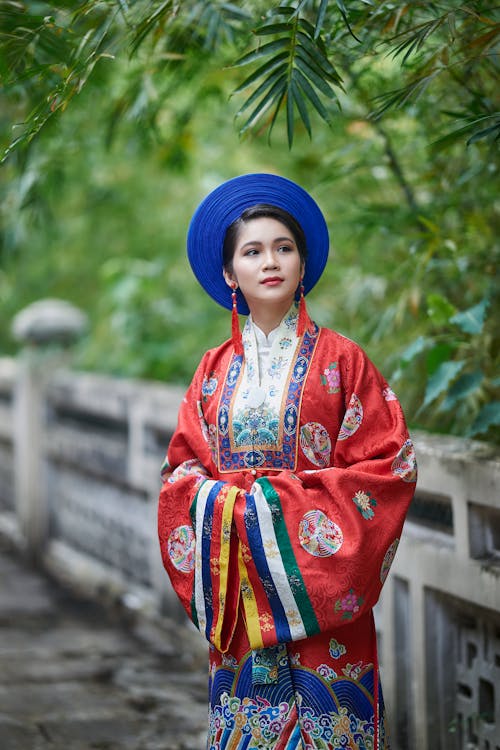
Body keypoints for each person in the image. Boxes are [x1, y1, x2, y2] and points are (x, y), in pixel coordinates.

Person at [157, 173, 417, 749]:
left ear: (302, 264)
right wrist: (224, 507)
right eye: (252, 251)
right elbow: (180, 472)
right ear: (230, 274)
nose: (270, 261)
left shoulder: (344, 362)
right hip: (241, 598)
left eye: (284, 247)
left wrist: (274, 508)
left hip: (325, 597)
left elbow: (387, 465)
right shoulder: (212, 371)